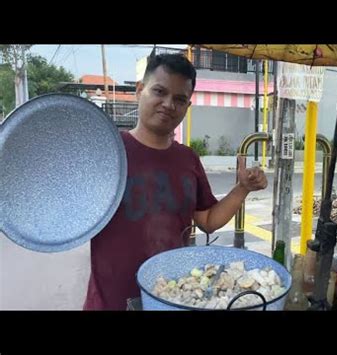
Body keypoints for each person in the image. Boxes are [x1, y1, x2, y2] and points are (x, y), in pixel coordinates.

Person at [83, 54, 268, 310]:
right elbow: (70, 214)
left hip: (172, 298)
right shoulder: (107, 151)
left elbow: (208, 221)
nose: (169, 104)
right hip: (110, 302)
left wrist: (242, 189)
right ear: (140, 90)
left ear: (187, 106)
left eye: (179, 99)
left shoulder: (188, 159)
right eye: (159, 91)